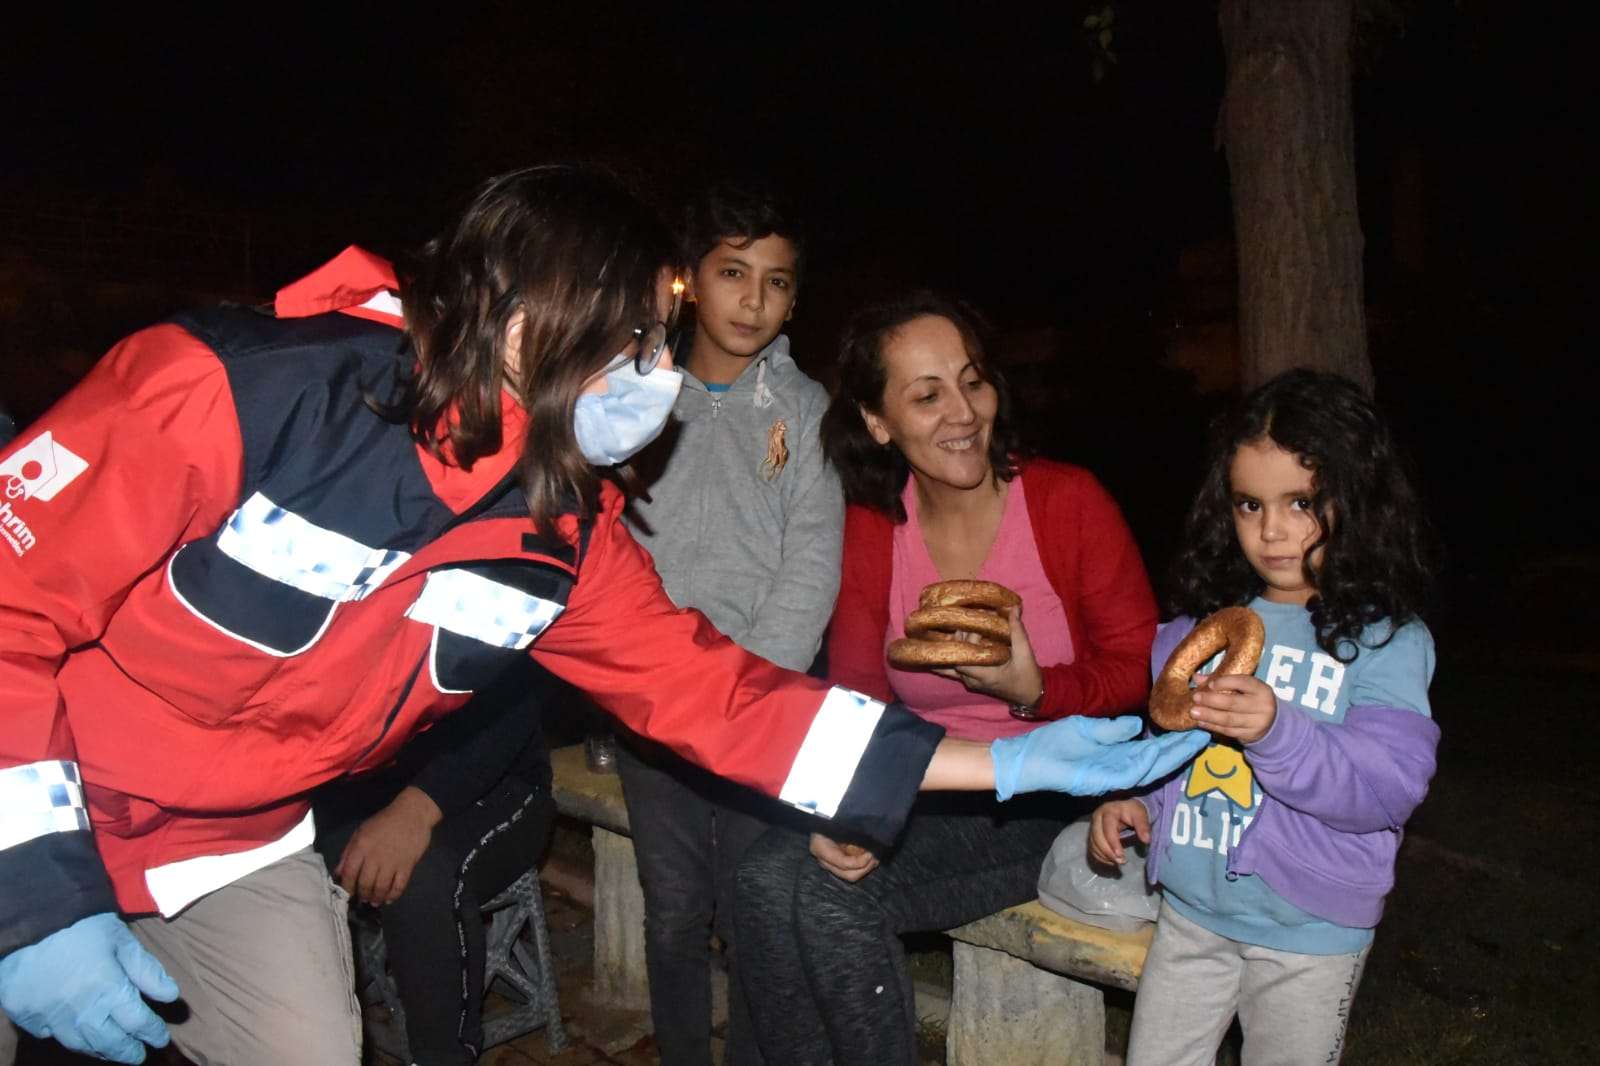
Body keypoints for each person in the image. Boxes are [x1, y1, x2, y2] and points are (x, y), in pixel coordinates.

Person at [0, 165, 1204, 1066]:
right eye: (640, 335)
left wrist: (999, 761)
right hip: (34, 778)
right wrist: (35, 897)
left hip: (228, 837)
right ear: (531, 315)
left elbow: (724, 699)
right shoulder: (235, 390)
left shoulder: (560, 534)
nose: (659, 374)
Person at [736, 291, 1164, 1066]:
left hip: (1054, 798)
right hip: (928, 781)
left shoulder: (1069, 502)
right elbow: (860, 691)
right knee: (764, 879)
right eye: (927, 395)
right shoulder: (874, 524)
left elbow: (1140, 674)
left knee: (836, 900)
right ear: (877, 421)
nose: (964, 412)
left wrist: (1037, 690)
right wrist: (852, 807)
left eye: (973, 382)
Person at [1087, 369, 1440, 1065]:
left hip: (1311, 930)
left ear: (1357, 499)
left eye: (1301, 502)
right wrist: (1133, 797)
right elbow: (1172, 749)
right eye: (1250, 505)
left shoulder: (1388, 642)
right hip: (1192, 912)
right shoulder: (1198, 632)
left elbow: (1388, 788)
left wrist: (1282, 731)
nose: (1272, 531)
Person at [615, 181, 839, 1066]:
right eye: (734, 272)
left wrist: (751, 686)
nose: (754, 298)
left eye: (777, 281)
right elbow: (611, 543)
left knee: (755, 919)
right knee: (671, 911)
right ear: (689, 283)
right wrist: (648, 679)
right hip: (653, 701)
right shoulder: (635, 395)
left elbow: (814, 558)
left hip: (762, 703)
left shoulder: (804, 408)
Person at [312, 659, 556, 1066]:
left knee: (420, 878)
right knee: (283, 853)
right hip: (369, 780)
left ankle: (442, 1056)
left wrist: (417, 807)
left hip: (500, 781)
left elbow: (510, 708)